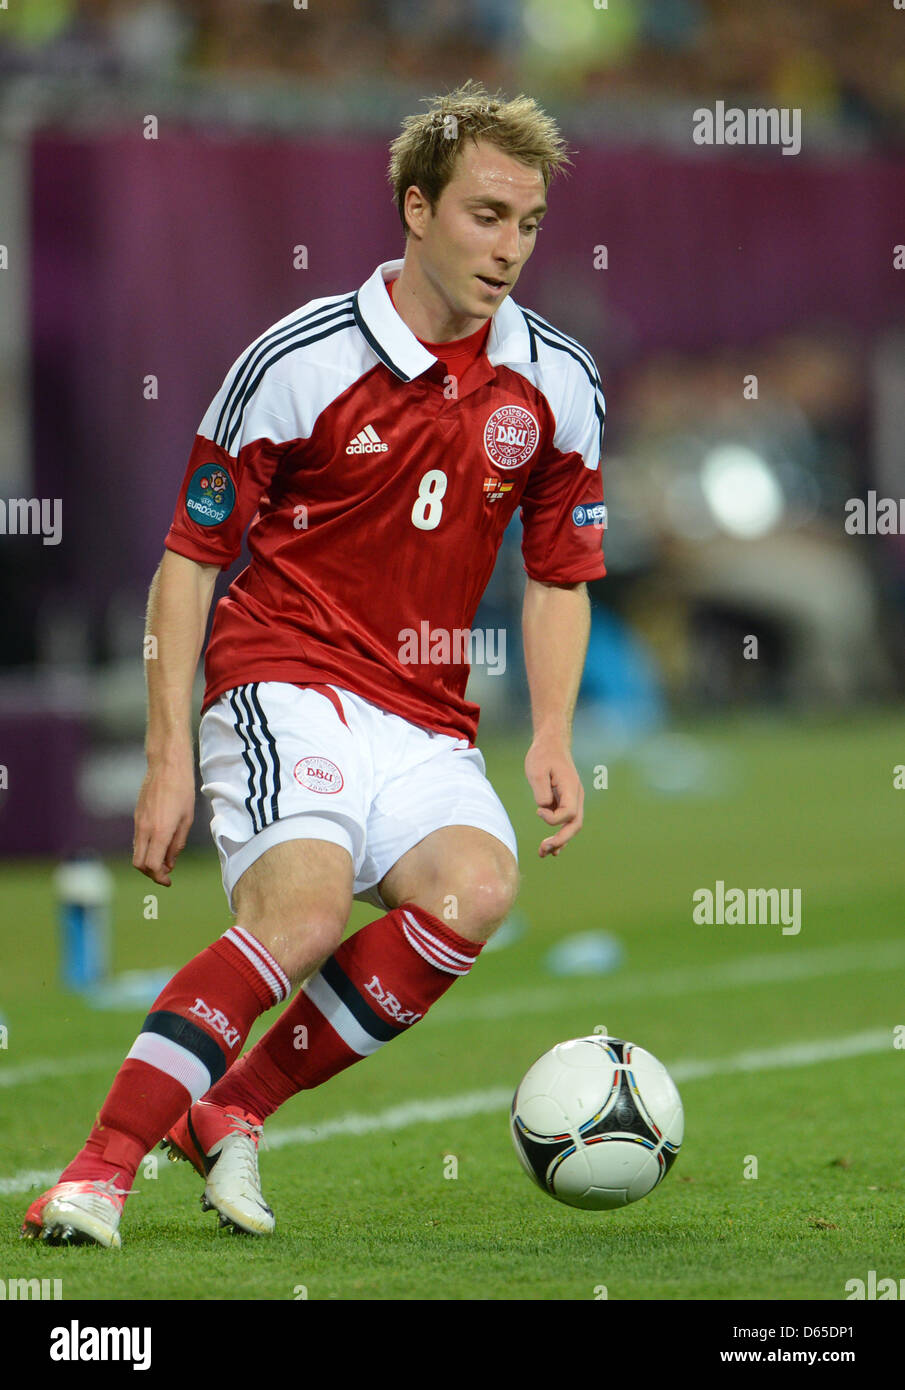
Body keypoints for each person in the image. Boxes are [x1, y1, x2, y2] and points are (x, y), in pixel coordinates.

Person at [22, 79, 606, 1248]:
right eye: (486, 215)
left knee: (474, 895)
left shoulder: (554, 381)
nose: (509, 249)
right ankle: (94, 1171)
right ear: (415, 206)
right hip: (284, 675)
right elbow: (187, 562)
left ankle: (230, 1107)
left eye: (528, 223)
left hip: (426, 708)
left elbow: (557, 572)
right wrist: (167, 754)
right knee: (303, 913)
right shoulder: (298, 360)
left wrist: (550, 730)